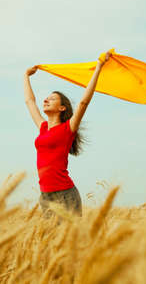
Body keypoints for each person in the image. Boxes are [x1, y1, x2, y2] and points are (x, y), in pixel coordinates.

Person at [23, 51, 112, 218]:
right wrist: (26, 76)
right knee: (52, 242)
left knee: (72, 242)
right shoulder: (42, 127)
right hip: (45, 195)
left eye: (52, 99)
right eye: (46, 98)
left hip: (65, 194)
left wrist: (98, 67)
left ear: (62, 108)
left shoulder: (67, 129)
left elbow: (84, 102)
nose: (46, 100)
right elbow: (30, 101)